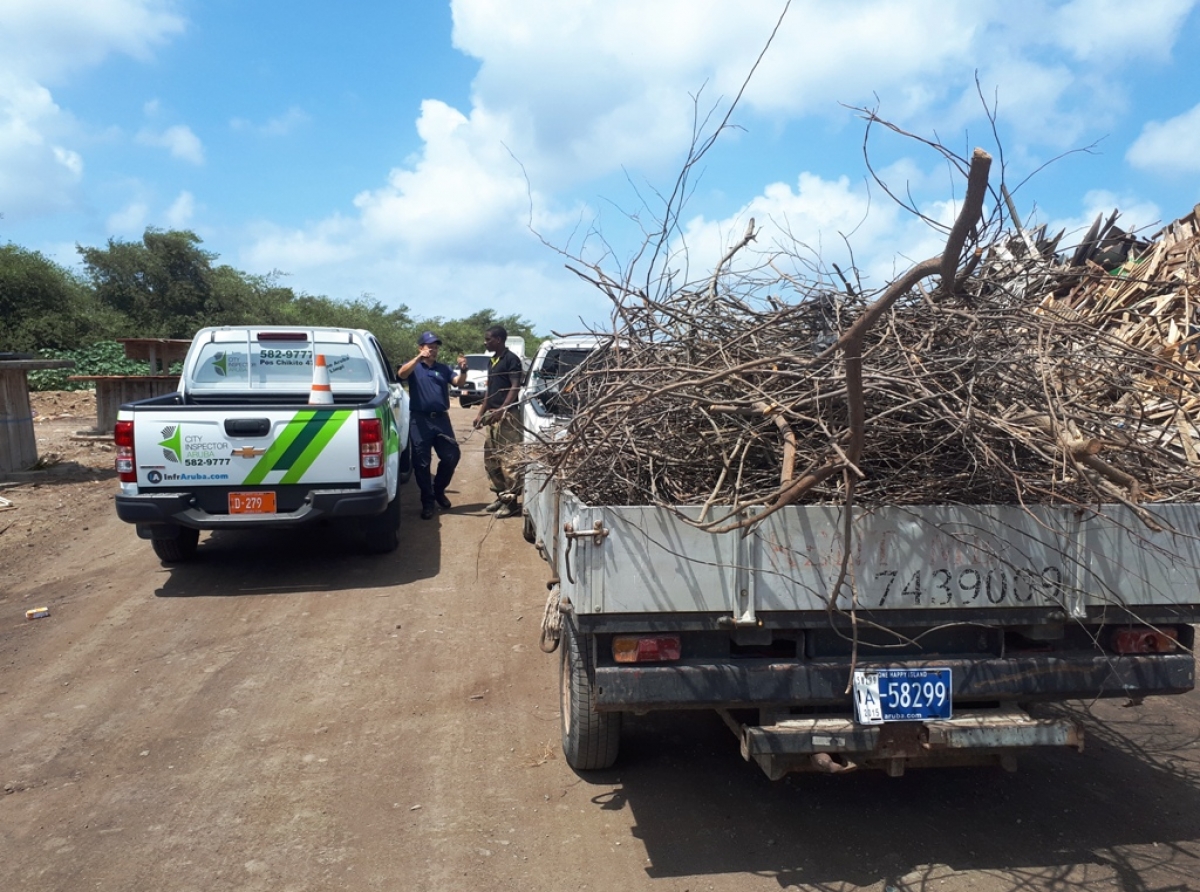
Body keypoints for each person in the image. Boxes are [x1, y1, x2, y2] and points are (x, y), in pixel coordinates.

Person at [397, 331, 467, 520]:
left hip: (441, 420)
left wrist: (463, 370)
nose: (433, 350)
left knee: (452, 455)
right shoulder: (414, 366)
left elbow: (458, 382)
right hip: (419, 420)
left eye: (436, 347)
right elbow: (401, 374)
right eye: (430, 347)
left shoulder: (443, 369)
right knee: (421, 462)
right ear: (421, 348)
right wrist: (419, 358)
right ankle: (427, 502)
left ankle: (439, 490)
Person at [472, 325, 524, 518]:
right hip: (492, 416)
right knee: (492, 459)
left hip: (507, 417)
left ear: (499, 340)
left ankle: (511, 503)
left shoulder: (511, 360)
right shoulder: (492, 361)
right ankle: (501, 496)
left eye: (488, 339)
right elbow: (489, 391)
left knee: (509, 460)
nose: (485, 342)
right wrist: (480, 414)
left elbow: (515, 386)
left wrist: (502, 409)